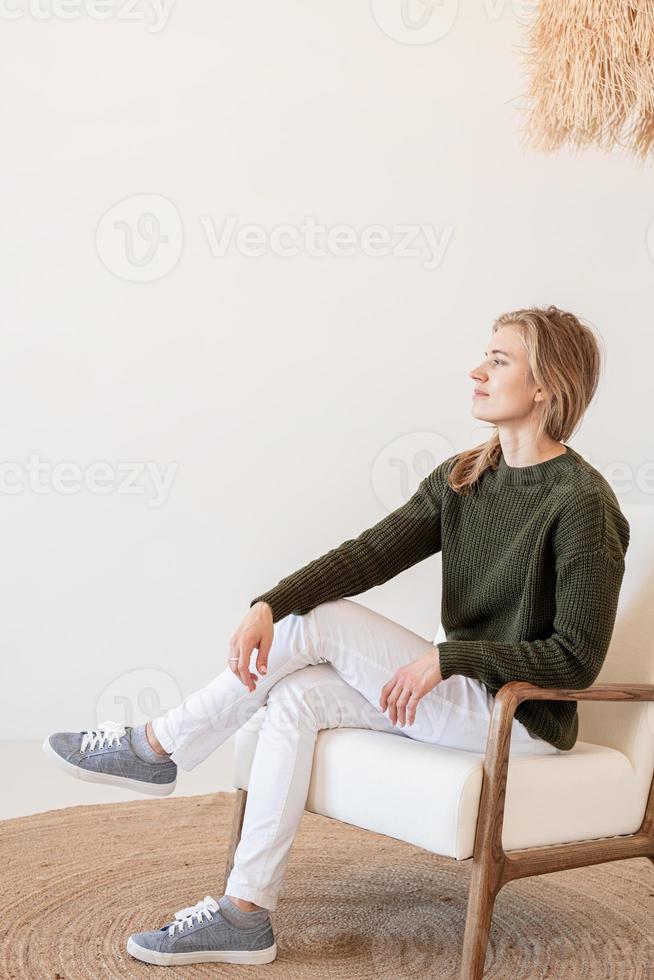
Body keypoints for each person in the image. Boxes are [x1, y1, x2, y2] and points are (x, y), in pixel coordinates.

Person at [43, 304, 630, 968]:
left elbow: (575, 660)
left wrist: (449, 656)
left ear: (546, 383)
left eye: (498, 360)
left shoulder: (581, 503)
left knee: (320, 625)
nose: (476, 371)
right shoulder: (467, 476)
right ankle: (246, 913)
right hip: (463, 698)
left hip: (518, 718)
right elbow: (369, 555)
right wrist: (271, 602)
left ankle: (158, 745)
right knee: (298, 698)